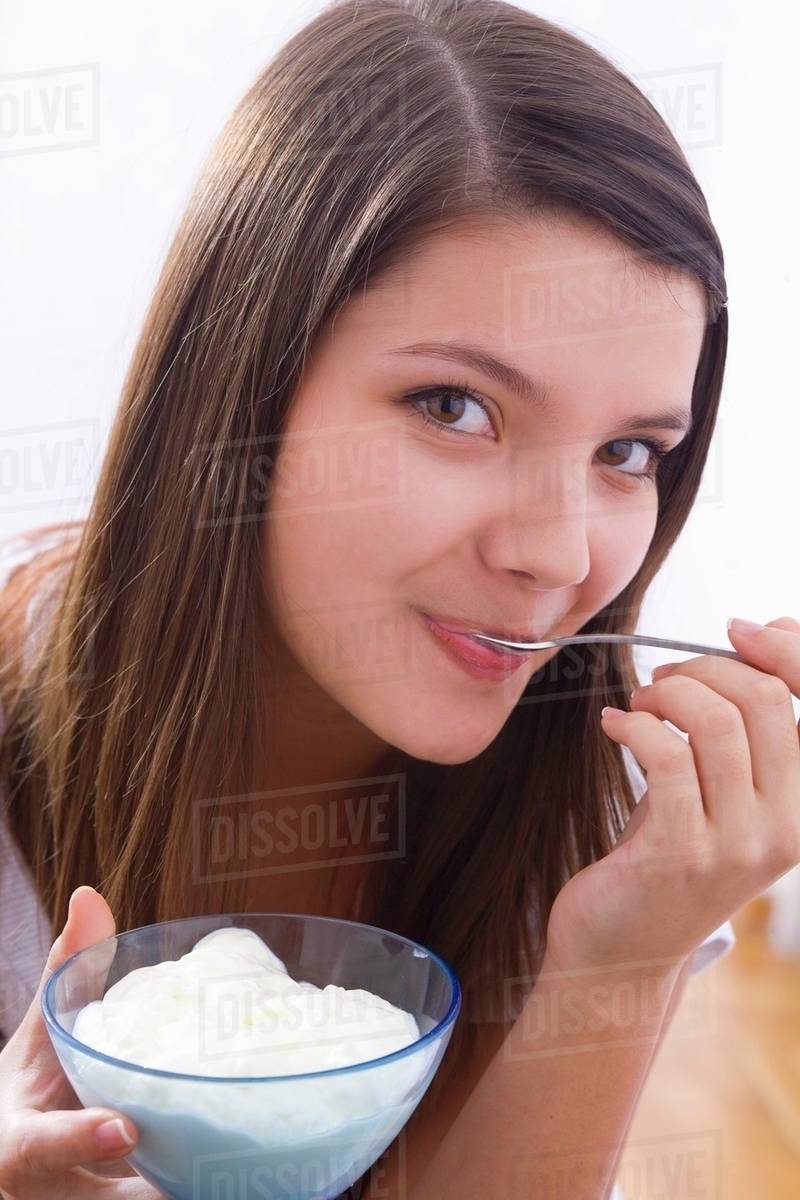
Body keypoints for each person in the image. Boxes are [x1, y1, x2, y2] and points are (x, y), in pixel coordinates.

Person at [2, 1, 798, 1197]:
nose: (557, 556)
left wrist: (618, 960)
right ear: (241, 397)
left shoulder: (609, 802)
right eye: (453, 409)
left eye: (628, 451)